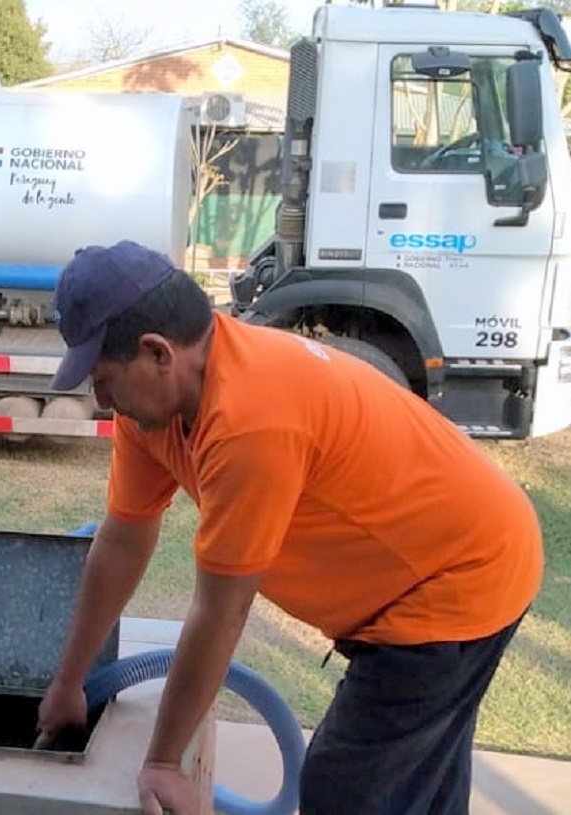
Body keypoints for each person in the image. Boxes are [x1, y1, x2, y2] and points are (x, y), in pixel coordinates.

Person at [34, 240, 543, 815]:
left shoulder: (249, 421)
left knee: (348, 791)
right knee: (412, 783)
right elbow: (125, 539)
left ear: (157, 353)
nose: (101, 401)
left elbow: (221, 609)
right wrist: (69, 680)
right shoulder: (156, 408)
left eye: (103, 379)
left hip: (459, 576)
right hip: (449, 554)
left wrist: (163, 763)